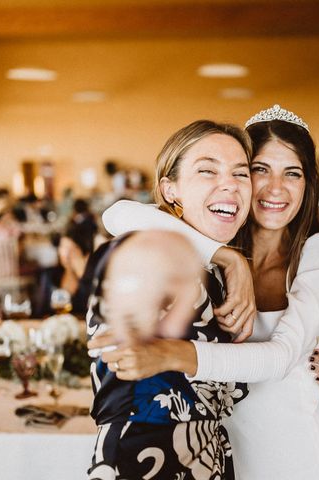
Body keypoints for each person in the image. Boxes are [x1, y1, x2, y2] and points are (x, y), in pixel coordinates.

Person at [91, 105, 319, 479]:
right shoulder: (213, 241)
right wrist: (228, 258)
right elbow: (117, 215)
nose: (275, 188)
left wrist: (171, 354)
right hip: (218, 453)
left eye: (292, 173)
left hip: (299, 453)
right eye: (260, 170)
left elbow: (279, 359)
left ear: (309, 184)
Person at [87, 120, 252, 480]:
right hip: (147, 458)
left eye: (241, 173)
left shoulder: (214, 267)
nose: (229, 184)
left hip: (207, 457)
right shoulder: (151, 252)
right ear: (170, 189)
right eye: (207, 170)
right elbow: (119, 222)